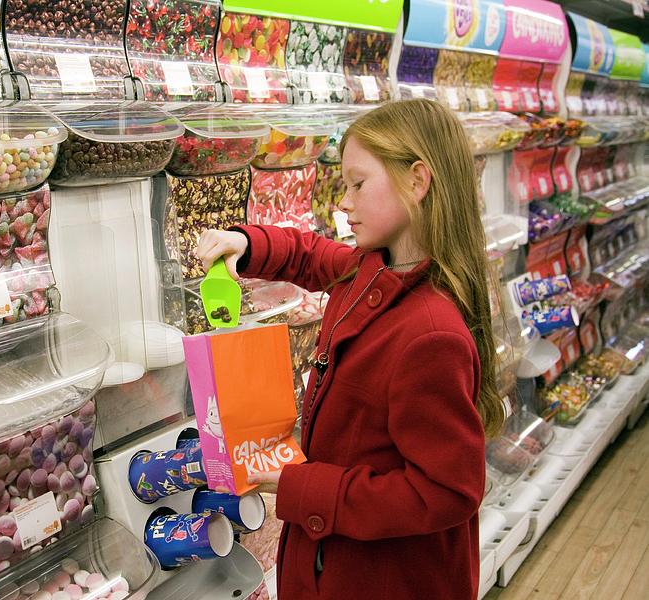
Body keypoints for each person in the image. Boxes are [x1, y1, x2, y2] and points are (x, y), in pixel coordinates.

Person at [197, 99, 505, 600]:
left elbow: (447, 492)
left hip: (381, 578)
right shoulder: (374, 270)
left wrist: (302, 485)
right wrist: (248, 244)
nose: (343, 202)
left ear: (418, 181)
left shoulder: (431, 336)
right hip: (334, 563)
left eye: (358, 184)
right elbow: (316, 256)